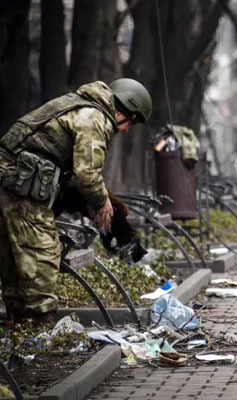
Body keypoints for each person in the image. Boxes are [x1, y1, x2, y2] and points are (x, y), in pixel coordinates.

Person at [0, 78, 152, 325]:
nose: (126, 130)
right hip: (19, 189)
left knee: (14, 262)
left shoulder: (78, 105)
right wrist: (102, 202)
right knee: (43, 258)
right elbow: (87, 175)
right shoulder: (94, 118)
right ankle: (38, 328)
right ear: (122, 109)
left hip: (11, 183)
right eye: (131, 122)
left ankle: (19, 326)